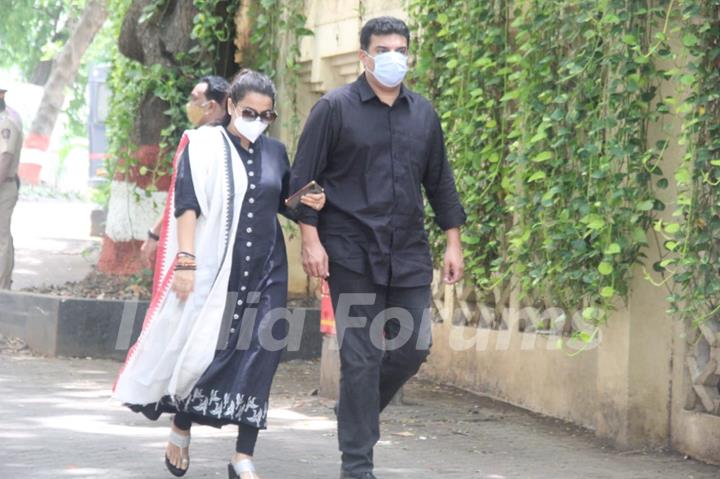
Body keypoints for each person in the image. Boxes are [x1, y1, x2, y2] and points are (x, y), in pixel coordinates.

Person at [113, 70, 326, 479]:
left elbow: (284, 202)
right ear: (230, 105)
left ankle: (243, 456)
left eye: (267, 116)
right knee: (207, 352)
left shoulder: (275, 152)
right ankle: (181, 425)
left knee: (263, 354)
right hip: (217, 270)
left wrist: (310, 199)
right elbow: (187, 205)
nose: (258, 121)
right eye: (250, 112)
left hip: (267, 270)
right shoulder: (204, 145)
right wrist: (187, 262)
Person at [290, 16, 467, 479]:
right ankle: (357, 464)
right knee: (362, 356)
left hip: (407, 251)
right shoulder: (334, 108)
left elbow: (441, 182)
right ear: (364, 55)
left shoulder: (423, 113)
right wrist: (311, 238)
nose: (394, 57)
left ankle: (354, 412)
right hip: (350, 250)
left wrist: (454, 243)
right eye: (384, 49)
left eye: (401, 49)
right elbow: (302, 181)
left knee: (413, 349)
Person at [140, 75, 231, 268]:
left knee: (186, 294)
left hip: (196, 245)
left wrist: (156, 234)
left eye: (195, 98)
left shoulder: (199, 143)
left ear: (211, 106)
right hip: (227, 250)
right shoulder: (234, 144)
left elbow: (185, 201)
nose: (190, 105)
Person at [0, 81, 23, 290]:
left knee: (1, 240)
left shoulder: (7, 121)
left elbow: (5, 159)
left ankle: (2, 290)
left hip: (3, 186)